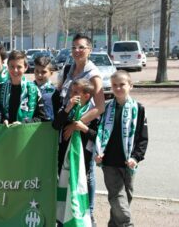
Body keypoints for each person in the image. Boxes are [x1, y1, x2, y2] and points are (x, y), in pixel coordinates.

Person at [95, 70, 148, 227]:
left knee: (125, 198)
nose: (118, 88)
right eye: (114, 85)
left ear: (130, 86)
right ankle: (127, 224)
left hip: (128, 163)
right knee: (117, 196)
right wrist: (98, 152)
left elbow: (143, 137)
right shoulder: (106, 108)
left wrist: (136, 157)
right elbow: (98, 133)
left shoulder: (138, 108)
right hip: (109, 162)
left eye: (122, 85)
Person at [52, 78, 99, 226]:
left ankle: (85, 215)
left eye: (76, 92)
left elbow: (98, 136)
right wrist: (67, 108)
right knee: (64, 184)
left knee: (80, 186)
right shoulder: (68, 108)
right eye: (72, 91)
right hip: (65, 157)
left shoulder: (93, 113)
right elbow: (55, 125)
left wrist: (83, 128)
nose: (72, 94)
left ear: (86, 95)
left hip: (83, 158)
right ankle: (62, 218)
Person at [58, 33, 105, 127]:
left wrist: (75, 125)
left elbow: (100, 107)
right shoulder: (67, 70)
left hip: (82, 127)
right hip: (64, 122)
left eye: (81, 47)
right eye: (74, 47)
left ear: (90, 50)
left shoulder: (93, 75)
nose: (76, 50)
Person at [0, 50, 46, 125]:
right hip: (5, 134)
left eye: (19, 67)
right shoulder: (1, 88)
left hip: (25, 134)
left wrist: (23, 123)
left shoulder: (34, 90)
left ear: (25, 67)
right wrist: (3, 120)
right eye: (12, 66)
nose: (15, 70)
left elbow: (42, 118)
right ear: (8, 67)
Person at [33, 56, 57, 121]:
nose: (39, 75)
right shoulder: (29, 88)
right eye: (37, 71)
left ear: (51, 73)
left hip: (48, 125)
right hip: (31, 124)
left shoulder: (54, 91)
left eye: (43, 72)